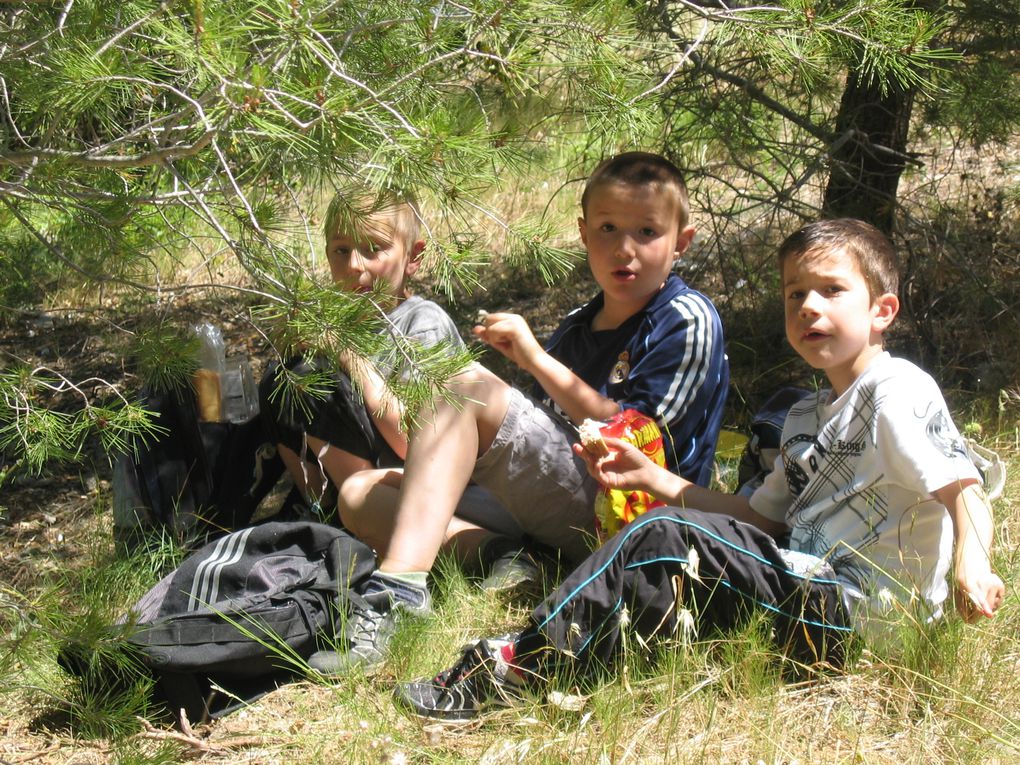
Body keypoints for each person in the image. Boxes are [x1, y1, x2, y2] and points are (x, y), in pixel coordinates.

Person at [395, 217, 1006, 720]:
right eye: (795, 293)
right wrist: (655, 480)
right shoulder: (803, 417)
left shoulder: (894, 391)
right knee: (660, 533)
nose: (808, 306)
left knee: (662, 541)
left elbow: (962, 488)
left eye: (831, 290)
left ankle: (516, 666)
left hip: (863, 616)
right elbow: (757, 520)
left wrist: (972, 565)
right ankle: (558, 653)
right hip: (805, 585)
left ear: (883, 310)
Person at [328, 151, 730, 672]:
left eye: (647, 232)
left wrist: (535, 360)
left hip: (633, 510)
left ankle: (397, 596)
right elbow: (539, 434)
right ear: (584, 234)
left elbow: (639, 445)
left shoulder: (685, 317)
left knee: (465, 386)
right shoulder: (578, 324)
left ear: (682, 242)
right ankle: (515, 559)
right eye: (607, 228)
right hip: (562, 500)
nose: (624, 248)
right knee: (360, 493)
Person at [258, 187, 521, 539]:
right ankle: (329, 521)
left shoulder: (421, 322)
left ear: (413, 257)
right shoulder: (335, 326)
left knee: (314, 383)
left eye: (373, 249)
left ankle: (383, 531)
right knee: (287, 381)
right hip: (381, 484)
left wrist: (351, 355)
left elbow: (414, 441)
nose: (354, 265)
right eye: (341, 250)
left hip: (445, 489)